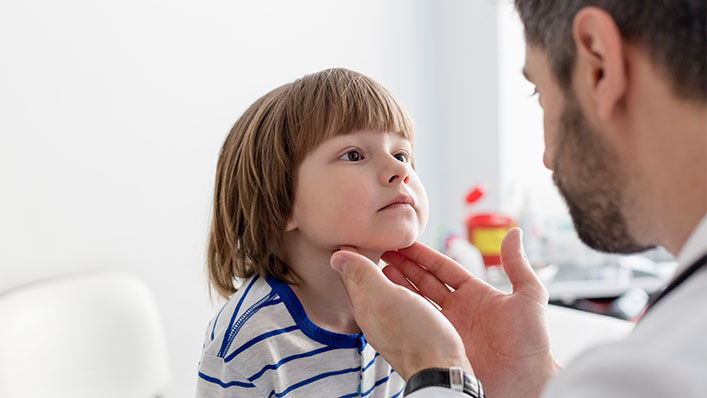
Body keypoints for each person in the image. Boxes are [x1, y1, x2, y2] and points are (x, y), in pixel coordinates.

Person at [329, 1, 706, 397]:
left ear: (600, 64)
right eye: (353, 155)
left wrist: (438, 371)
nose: (546, 158)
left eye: (540, 92)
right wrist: (527, 375)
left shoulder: (661, 371)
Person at [196, 68, 430, 397]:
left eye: (402, 154)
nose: (401, 170)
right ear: (280, 202)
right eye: (354, 155)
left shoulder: (413, 311)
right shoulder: (248, 342)